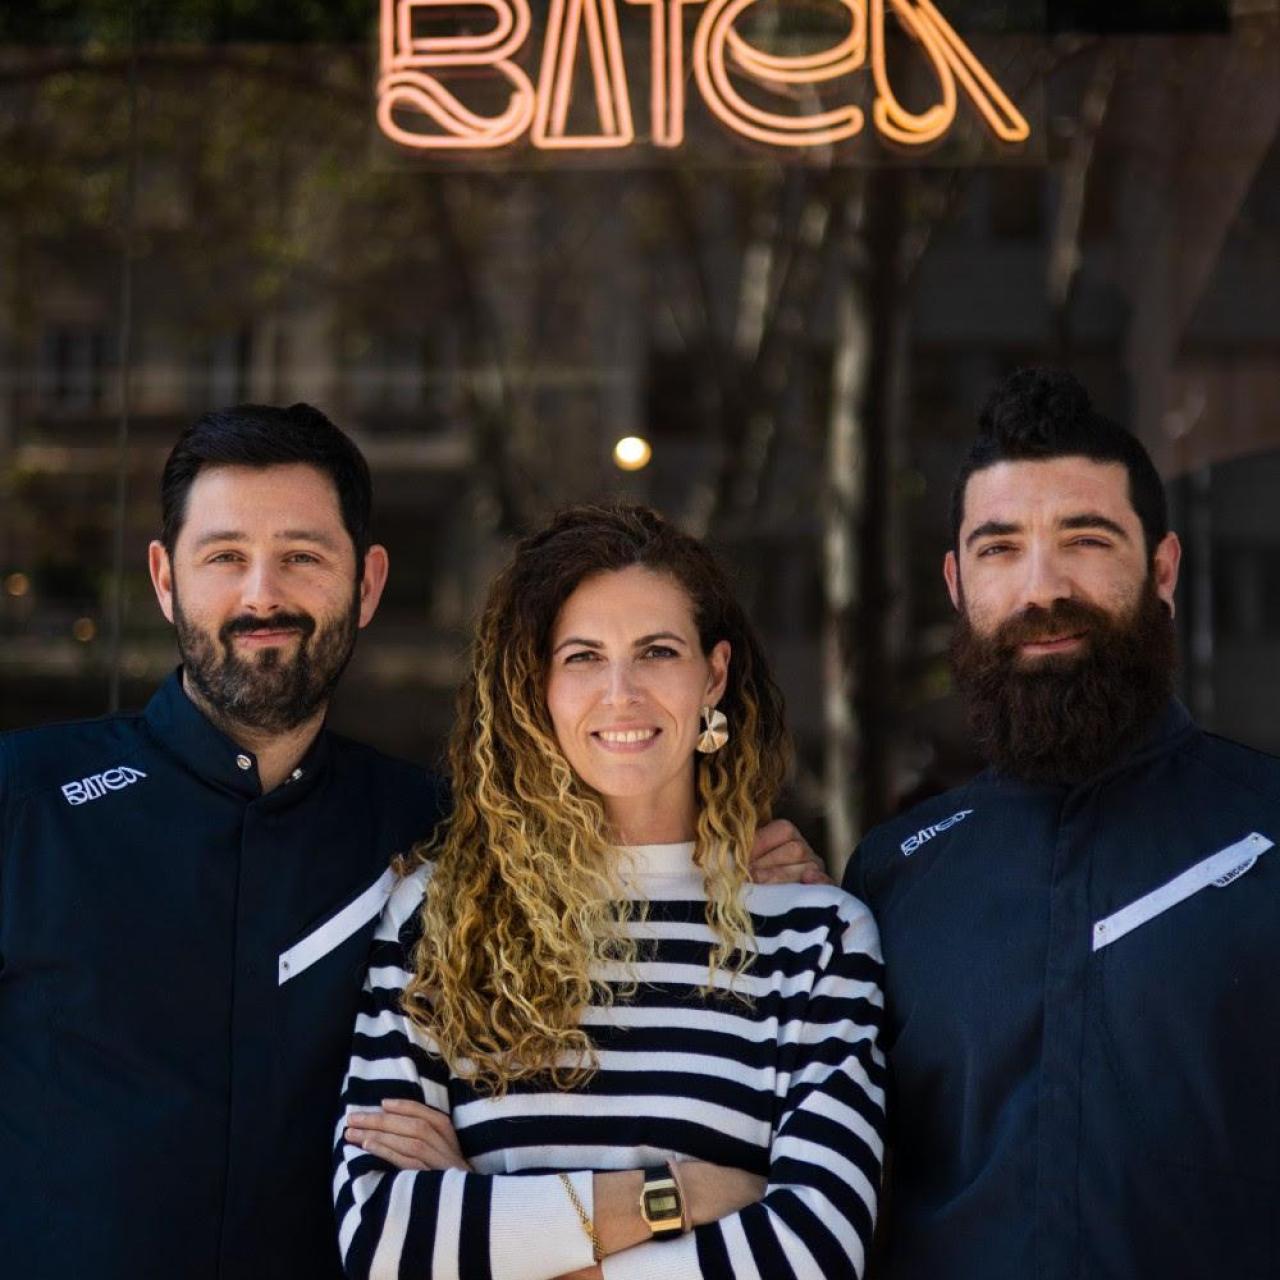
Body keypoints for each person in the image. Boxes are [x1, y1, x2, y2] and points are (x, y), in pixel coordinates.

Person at [0, 407, 820, 1280]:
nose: (262, 594)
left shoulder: (445, 841)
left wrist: (731, 858)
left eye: (304, 557)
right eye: (225, 557)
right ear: (165, 579)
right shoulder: (26, 802)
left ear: (368, 581)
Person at [335, 503, 886, 1279]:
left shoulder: (816, 937)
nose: (621, 692)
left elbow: (813, 1252)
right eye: (583, 657)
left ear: (713, 676)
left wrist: (499, 1230)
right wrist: (681, 1194)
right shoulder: (437, 917)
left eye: (658, 651)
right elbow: (386, 1239)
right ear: (540, 688)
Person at [843, 368, 1280, 1279]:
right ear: (958, 583)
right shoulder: (889, 880)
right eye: (1001, 549)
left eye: (1085, 539)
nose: (1043, 588)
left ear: (1161, 569)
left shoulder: (1267, 833)